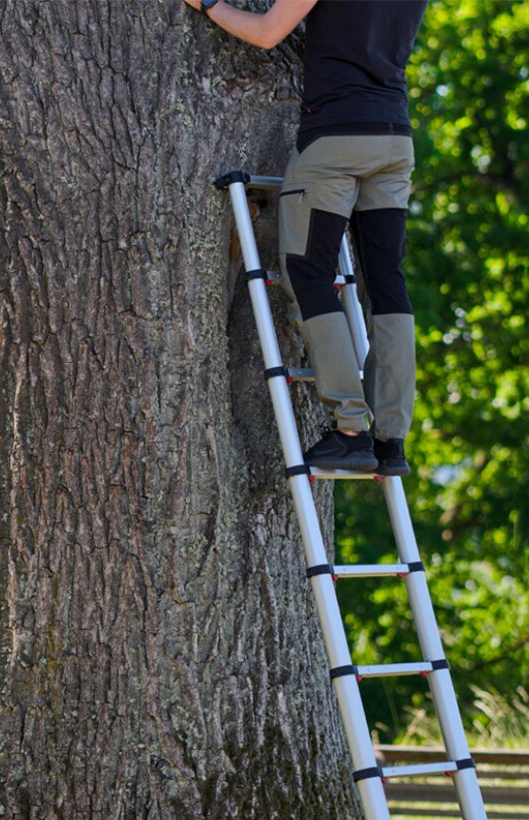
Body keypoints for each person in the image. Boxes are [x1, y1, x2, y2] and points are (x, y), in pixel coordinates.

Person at [183, 0, 427, 475]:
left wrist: (211, 5)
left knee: (307, 272)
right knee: (388, 284)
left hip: (336, 138)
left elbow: (269, 31)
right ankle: (391, 439)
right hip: (395, 137)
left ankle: (352, 429)